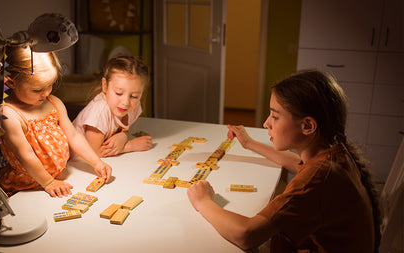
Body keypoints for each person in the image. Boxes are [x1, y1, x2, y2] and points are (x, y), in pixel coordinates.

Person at [187, 70, 382, 252]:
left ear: (307, 126)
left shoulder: (317, 179)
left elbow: (246, 234)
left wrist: (203, 202)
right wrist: (249, 144)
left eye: (275, 116)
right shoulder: (333, 153)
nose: (266, 123)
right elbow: (299, 163)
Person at [0, 45, 112, 198]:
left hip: (59, 177)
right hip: (27, 187)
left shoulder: (53, 103)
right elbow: (25, 155)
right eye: (37, 90)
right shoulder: (8, 115)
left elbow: (73, 136)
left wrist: (96, 162)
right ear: (11, 83)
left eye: (49, 85)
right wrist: (48, 182)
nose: (46, 93)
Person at [72, 56, 152, 157]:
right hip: (76, 162)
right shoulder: (99, 113)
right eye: (119, 93)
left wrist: (123, 136)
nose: (126, 102)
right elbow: (93, 153)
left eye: (134, 96)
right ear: (105, 86)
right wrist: (130, 146)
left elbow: (124, 129)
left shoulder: (133, 106)